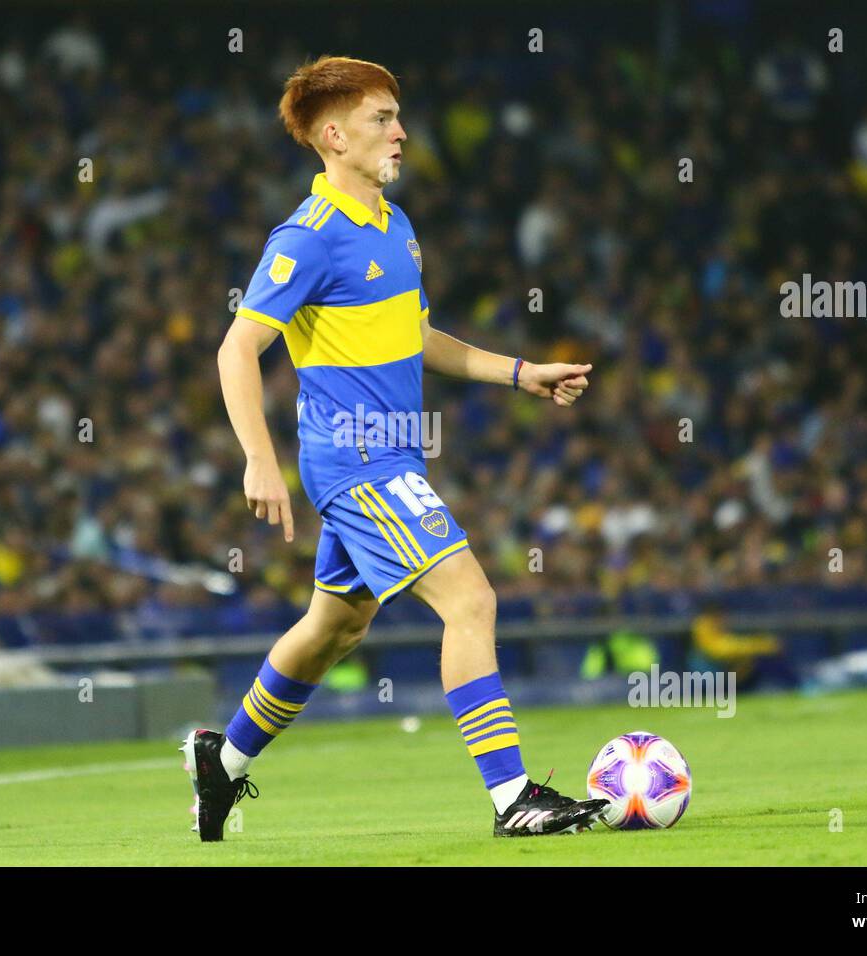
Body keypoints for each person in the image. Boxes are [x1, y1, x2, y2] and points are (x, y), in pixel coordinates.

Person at [188, 56, 602, 840]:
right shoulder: (306, 238)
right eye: (383, 119)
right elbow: (236, 351)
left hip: (393, 458)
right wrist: (258, 458)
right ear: (335, 136)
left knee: (334, 628)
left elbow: (415, 336)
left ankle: (224, 760)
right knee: (471, 600)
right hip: (359, 460)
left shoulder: (395, 226)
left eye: (398, 117)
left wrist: (521, 374)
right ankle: (513, 798)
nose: (402, 132)